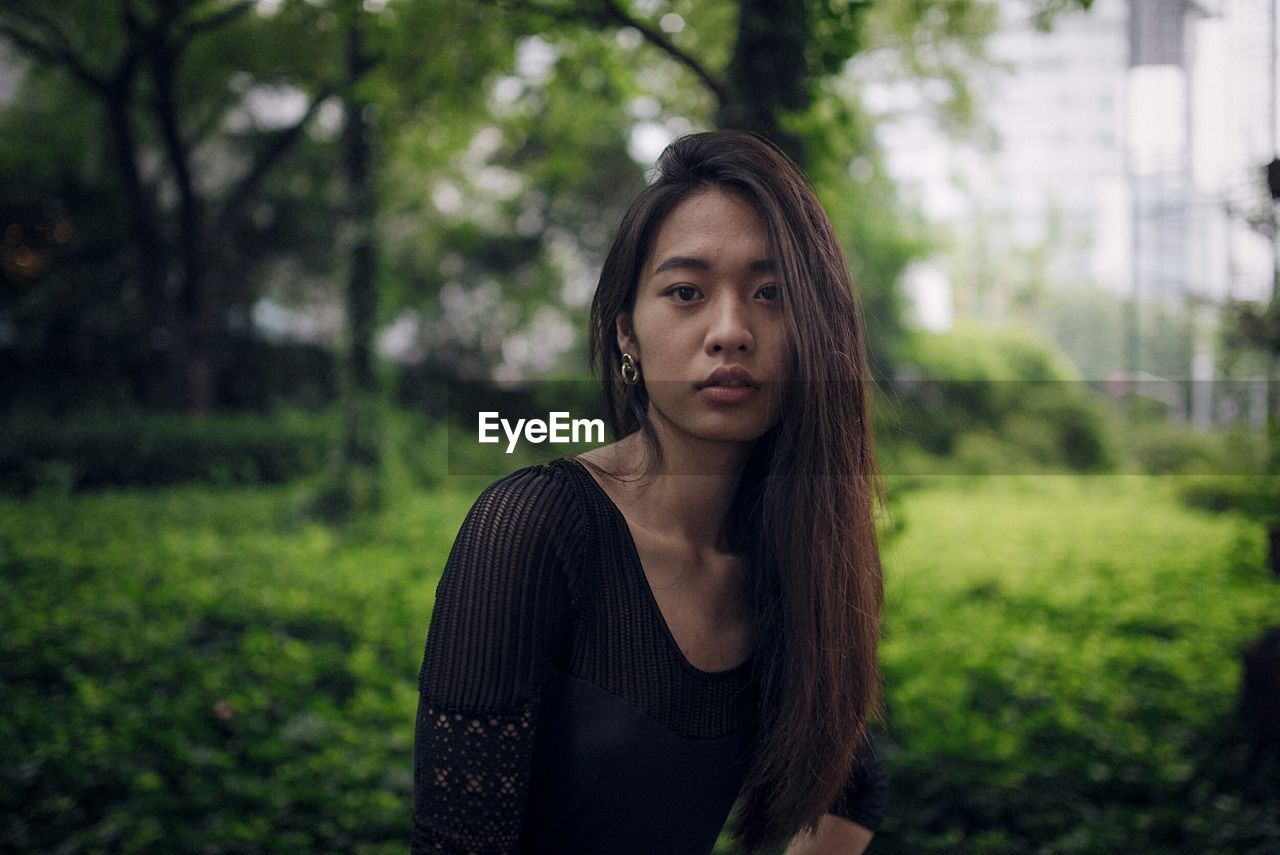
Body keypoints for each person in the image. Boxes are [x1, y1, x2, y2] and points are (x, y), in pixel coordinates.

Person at [413, 130, 888, 854]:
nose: (730, 331)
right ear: (627, 331)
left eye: (771, 294)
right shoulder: (531, 529)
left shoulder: (796, 549)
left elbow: (850, 775)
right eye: (686, 292)